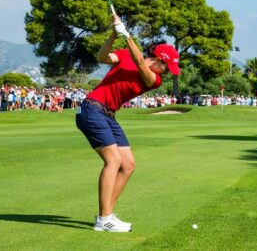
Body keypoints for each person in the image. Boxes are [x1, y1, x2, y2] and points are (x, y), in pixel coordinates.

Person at [76, 14, 180, 233]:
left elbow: (140, 62)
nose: (168, 74)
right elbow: (102, 57)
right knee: (113, 161)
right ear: (160, 59)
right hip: (92, 108)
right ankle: (104, 219)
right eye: (168, 67)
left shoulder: (154, 79)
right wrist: (115, 34)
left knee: (128, 165)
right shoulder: (125, 55)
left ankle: (107, 215)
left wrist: (127, 34)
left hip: (108, 114)